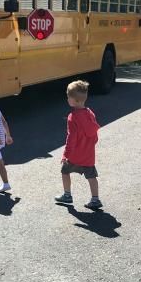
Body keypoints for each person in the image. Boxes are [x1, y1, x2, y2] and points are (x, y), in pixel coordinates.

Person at [54, 80, 102, 210]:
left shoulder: (72, 117)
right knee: (91, 176)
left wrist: (66, 155)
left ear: (74, 100)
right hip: (88, 154)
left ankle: (67, 195)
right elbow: (94, 135)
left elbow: (71, 138)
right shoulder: (90, 113)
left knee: (65, 171)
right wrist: (90, 145)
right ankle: (95, 199)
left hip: (75, 155)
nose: (67, 99)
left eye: (68, 97)